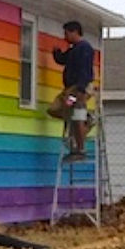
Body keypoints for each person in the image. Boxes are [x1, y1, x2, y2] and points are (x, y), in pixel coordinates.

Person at [52, 20, 95, 159]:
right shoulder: (73, 49)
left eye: (66, 33)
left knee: (77, 116)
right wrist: (57, 53)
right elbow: (63, 59)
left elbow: (85, 69)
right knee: (59, 109)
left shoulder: (84, 48)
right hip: (71, 90)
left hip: (79, 89)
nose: (65, 37)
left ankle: (80, 149)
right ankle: (87, 121)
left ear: (75, 32)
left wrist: (80, 90)